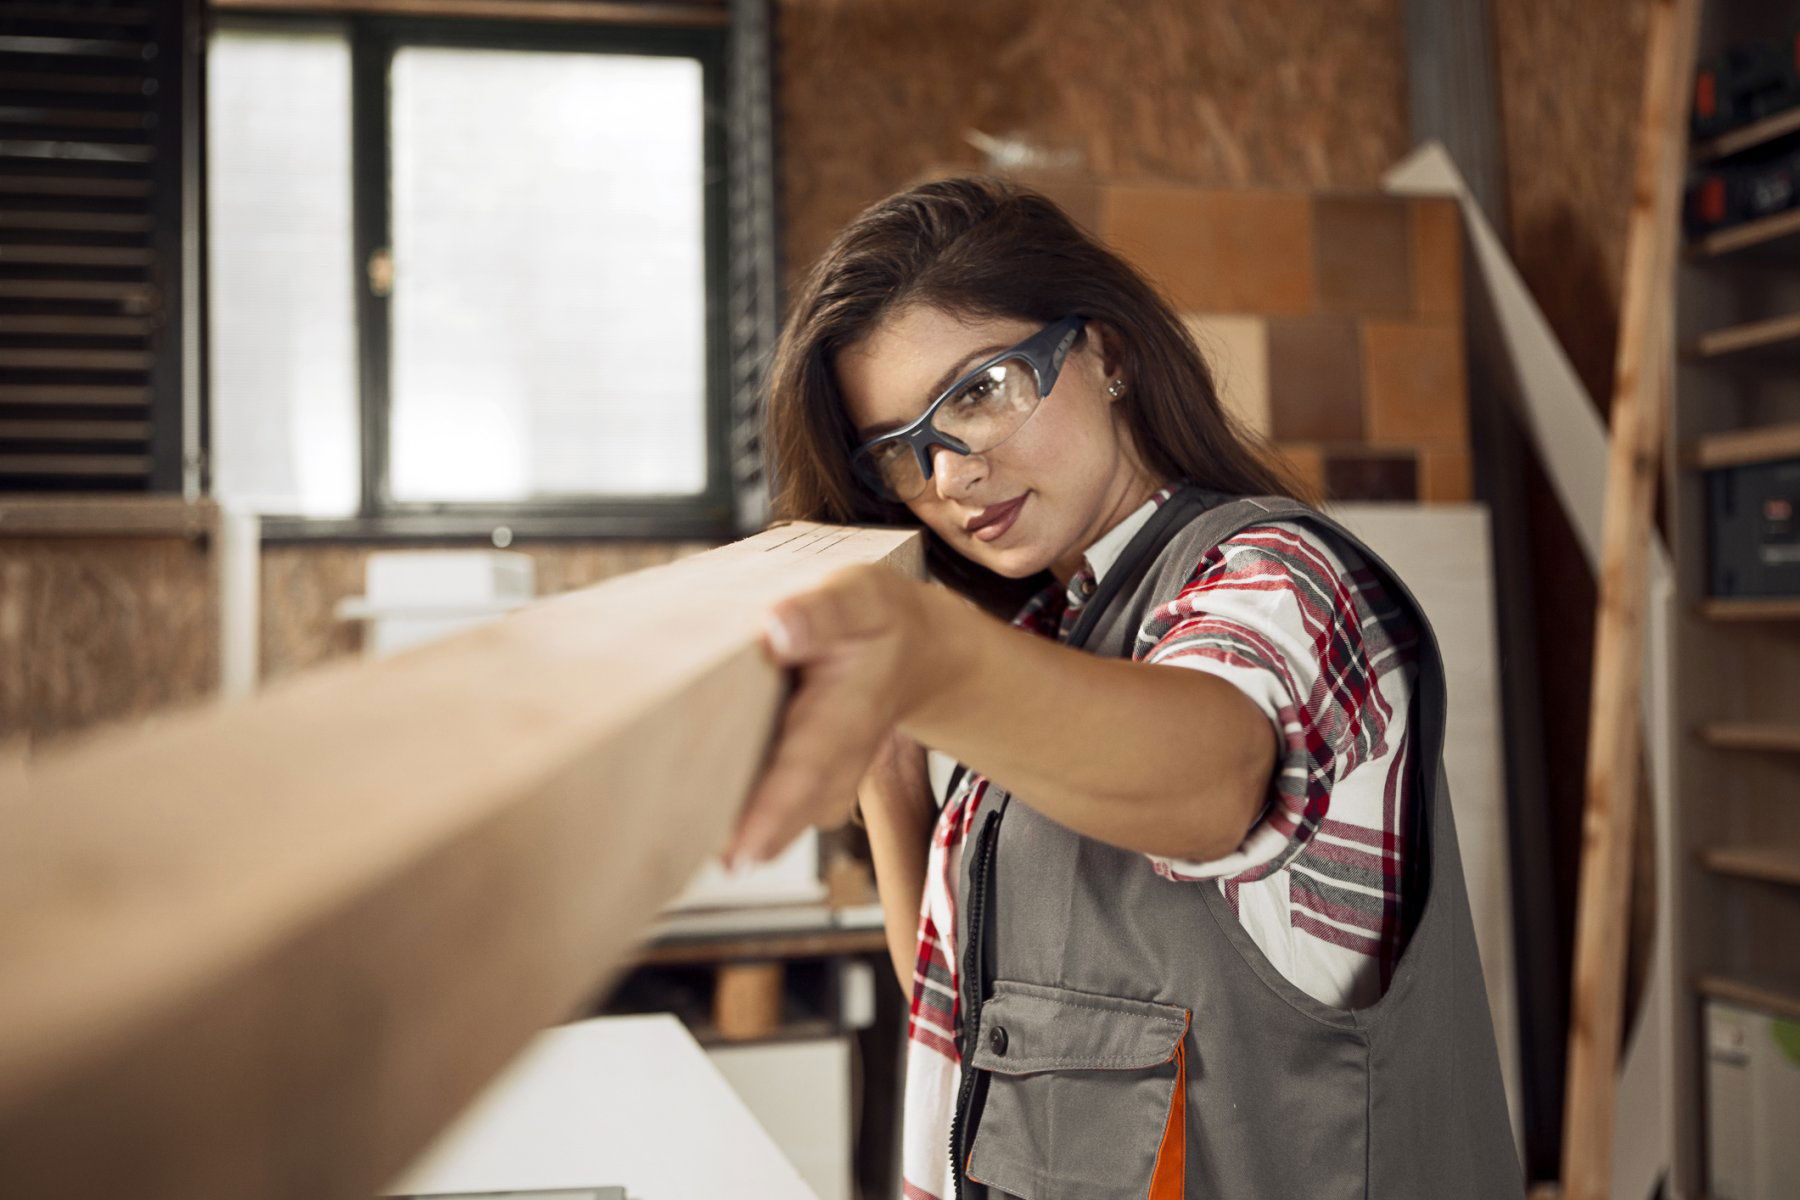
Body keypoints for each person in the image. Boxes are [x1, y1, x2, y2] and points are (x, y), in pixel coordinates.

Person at [726, 176, 1519, 1200]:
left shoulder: (1284, 581)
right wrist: (890, 772)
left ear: (1108, 353)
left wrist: (925, 658)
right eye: (902, 451)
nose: (953, 474)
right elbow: (964, 1015)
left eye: (979, 390)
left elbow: (1215, 783)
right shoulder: (1054, 641)